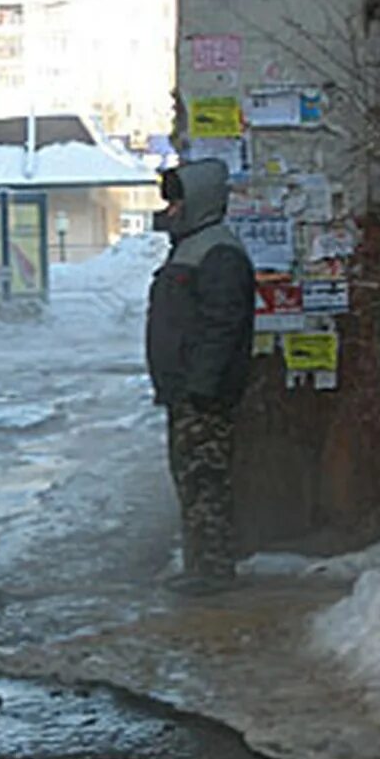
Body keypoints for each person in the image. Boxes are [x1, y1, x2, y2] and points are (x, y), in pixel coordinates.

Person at [146, 158, 255, 595]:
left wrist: (201, 389)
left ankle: (212, 572)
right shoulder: (194, 247)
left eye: (176, 200)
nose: (170, 209)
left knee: (205, 482)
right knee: (190, 481)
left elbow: (221, 325)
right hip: (186, 393)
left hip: (202, 397)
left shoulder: (217, 253)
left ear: (199, 202)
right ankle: (200, 567)